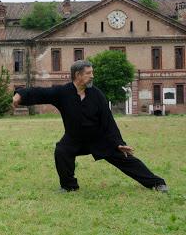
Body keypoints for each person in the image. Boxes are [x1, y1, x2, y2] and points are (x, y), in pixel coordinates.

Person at [13, 60, 168, 193]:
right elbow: (40, 93)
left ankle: (157, 183)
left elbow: (108, 121)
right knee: (62, 151)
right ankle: (69, 187)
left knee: (126, 158)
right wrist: (20, 94)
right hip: (74, 138)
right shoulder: (63, 92)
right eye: (88, 73)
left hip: (98, 138)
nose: (92, 76)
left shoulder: (97, 94)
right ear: (78, 75)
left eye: (92, 72)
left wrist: (119, 143)